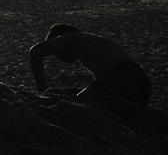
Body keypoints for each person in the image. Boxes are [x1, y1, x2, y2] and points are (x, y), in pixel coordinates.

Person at [29, 24, 168, 130]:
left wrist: (42, 90)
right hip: (139, 83)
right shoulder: (94, 52)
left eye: (56, 52)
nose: (57, 57)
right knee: (96, 100)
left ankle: (159, 116)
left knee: (85, 98)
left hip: (128, 75)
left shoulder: (71, 38)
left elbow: (35, 51)